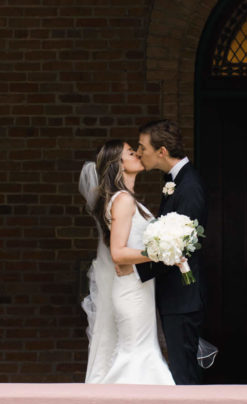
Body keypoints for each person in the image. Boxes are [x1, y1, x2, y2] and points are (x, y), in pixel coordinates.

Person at [80, 140, 175, 385]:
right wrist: (161, 252)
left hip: (139, 288)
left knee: (143, 352)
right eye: (131, 153)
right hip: (131, 291)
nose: (138, 154)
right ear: (118, 165)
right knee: (136, 354)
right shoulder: (123, 200)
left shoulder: (126, 199)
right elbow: (118, 254)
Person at [135, 120, 208, 385]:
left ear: (162, 151)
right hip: (175, 296)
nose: (139, 152)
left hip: (183, 297)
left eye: (143, 148)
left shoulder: (189, 186)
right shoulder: (174, 182)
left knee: (184, 373)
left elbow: (181, 246)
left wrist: (135, 271)